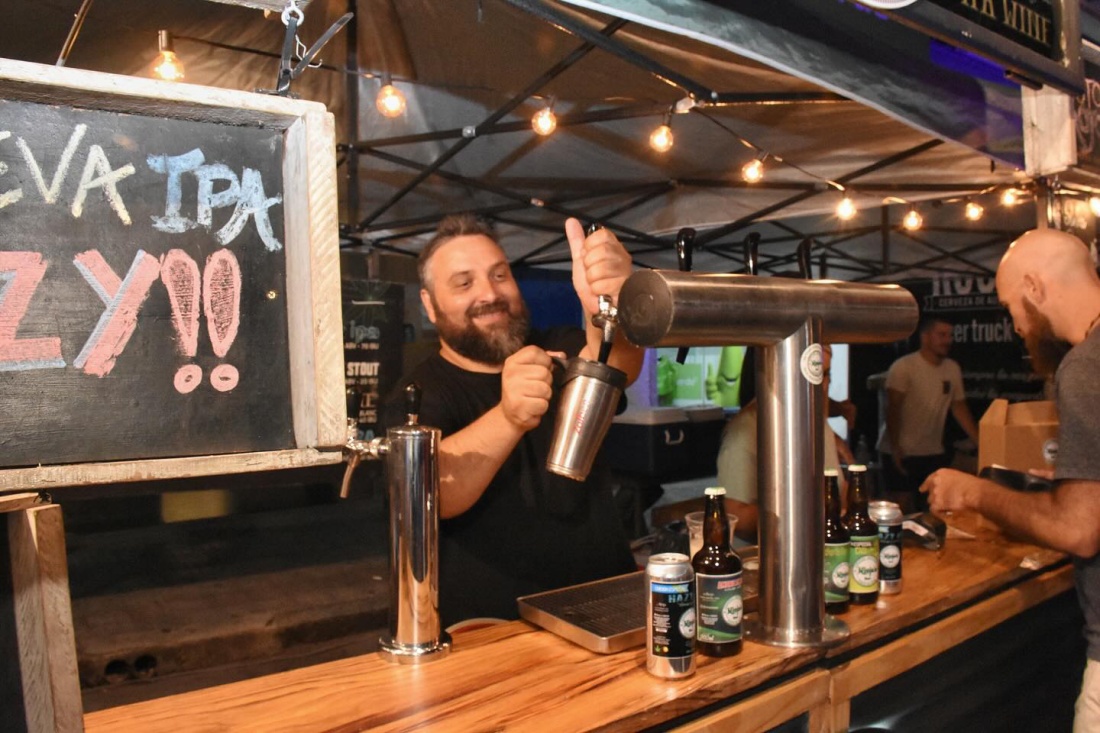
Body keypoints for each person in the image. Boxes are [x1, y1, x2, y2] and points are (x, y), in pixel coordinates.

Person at [381, 213, 645, 628]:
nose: (489, 293)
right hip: (496, 627)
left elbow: (618, 365)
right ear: (429, 305)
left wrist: (613, 306)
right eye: (464, 283)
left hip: (607, 606)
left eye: (500, 275)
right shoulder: (419, 393)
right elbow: (434, 497)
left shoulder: (557, 346)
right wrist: (508, 417)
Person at [921, 228, 1100, 731]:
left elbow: (1078, 532)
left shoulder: (1086, 366)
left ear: (1035, 288)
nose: (1016, 325)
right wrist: (1071, 480)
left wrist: (974, 491)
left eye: (1011, 306)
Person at [716, 345, 854, 539]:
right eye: (814, 373)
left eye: (826, 374)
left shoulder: (817, 422)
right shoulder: (748, 428)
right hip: (765, 562)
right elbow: (734, 515)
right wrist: (804, 514)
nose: (823, 385)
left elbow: (838, 492)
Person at [877, 315, 980, 511]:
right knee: (900, 509)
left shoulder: (952, 369)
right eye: (941, 335)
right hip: (902, 452)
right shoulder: (904, 367)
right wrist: (896, 447)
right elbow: (893, 409)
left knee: (931, 510)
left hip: (933, 452)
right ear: (925, 337)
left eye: (950, 335)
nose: (947, 340)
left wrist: (980, 442)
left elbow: (959, 407)